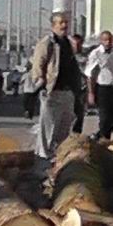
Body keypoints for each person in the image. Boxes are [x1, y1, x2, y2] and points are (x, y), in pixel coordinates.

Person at [29, 11, 79, 157]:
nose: (64, 25)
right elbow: (38, 64)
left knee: (64, 127)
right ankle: (43, 159)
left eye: (66, 23)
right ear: (53, 25)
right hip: (52, 91)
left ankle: (59, 156)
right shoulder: (47, 43)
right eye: (61, 23)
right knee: (48, 129)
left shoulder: (68, 43)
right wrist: (40, 83)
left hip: (67, 91)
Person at [85, 30, 113, 140]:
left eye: (110, 40)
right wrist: (91, 92)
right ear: (101, 41)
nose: (108, 42)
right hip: (102, 88)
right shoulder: (96, 54)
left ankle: (98, 136)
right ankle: (104, 140)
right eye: (105, 40)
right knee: (105, 118)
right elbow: (91, 74)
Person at [68, 32, 88, 134]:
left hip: (82, 90)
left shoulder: (86, 57)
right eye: (74, 44)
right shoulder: (66, 57)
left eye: (78, 44)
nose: (76, 46)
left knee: (79, 114)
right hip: (69, 89)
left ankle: (76, 135)